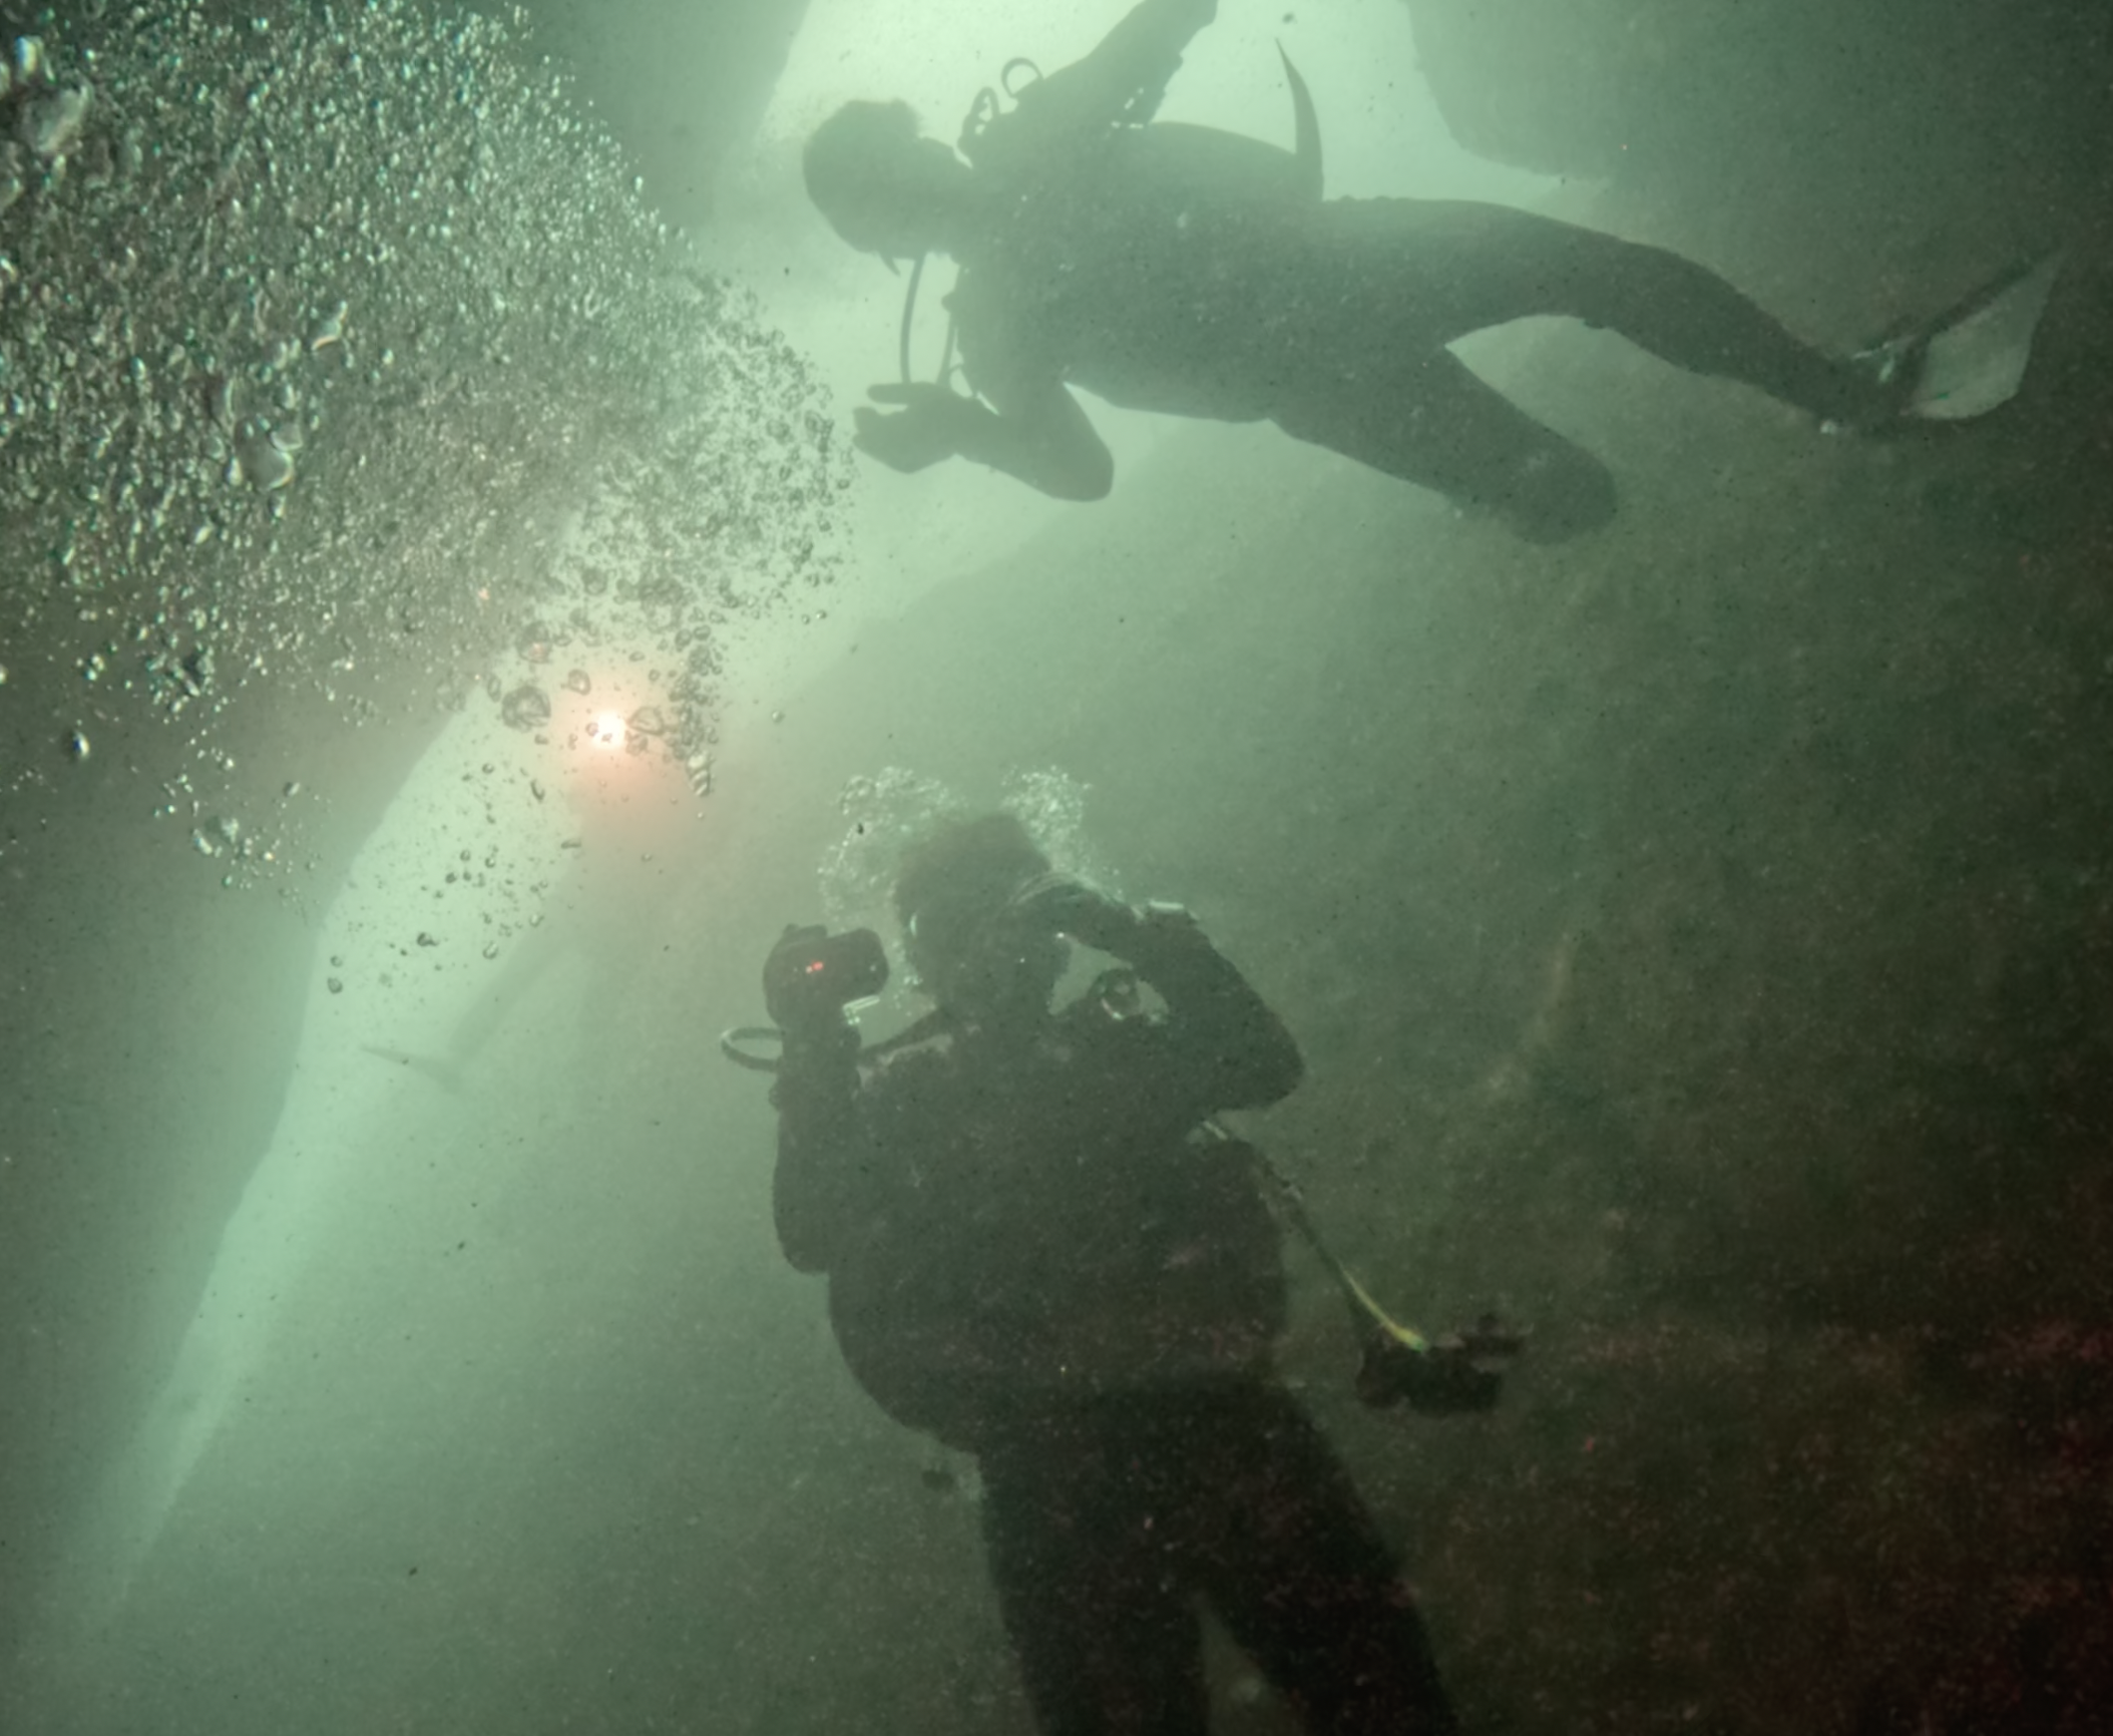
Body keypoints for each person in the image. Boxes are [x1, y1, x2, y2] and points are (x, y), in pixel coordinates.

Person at [763, 812, 1481, 1735]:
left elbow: (1265, 1064)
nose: (989, 952)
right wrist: (816, 1045)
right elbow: (812, 1230)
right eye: (949, 930)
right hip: (1076, 1466)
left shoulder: (1117, 1054)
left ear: (1055, 936)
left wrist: (1142, 937)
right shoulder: (905, 1097)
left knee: (1389, 1707)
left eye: (1013, 916)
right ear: (920, 960)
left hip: (1190, 1430)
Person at [801, 0, 1989, 543]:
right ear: (895, 217)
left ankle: (1842, 392)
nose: (925, 166)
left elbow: (1078, 467)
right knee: (1580, 437)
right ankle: (1819, 400)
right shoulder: (1005, 278)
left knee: (1596, 279)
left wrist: (968, 428)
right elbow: (1086, 472)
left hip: (1328, 302)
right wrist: (965, 428)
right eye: (899, 168)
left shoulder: (1006, 273)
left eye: (903, 153)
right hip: (1330, 311)